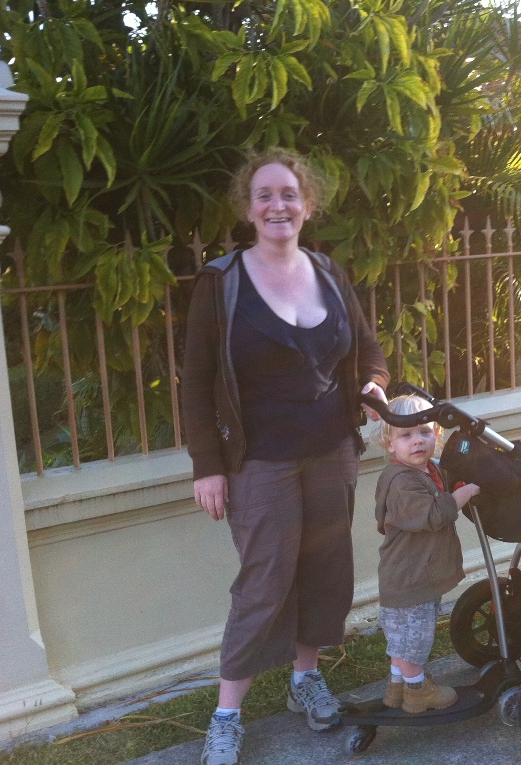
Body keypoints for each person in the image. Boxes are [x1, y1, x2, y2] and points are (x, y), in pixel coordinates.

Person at [182, 147, 389, 765]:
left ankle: (305, 679)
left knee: (326, 572)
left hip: (332, 451)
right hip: (259, 463)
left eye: (289, 194)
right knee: (264, 583)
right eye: (265, 195)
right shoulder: (220, 283)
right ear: (247, 209)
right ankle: (226, 714)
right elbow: (194, 383)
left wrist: (375, 385)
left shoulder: (329, 273)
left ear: (307, 204)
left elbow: (368, 352)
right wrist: (208, 465)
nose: (279, 205)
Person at [374, 395, 480, 713]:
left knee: (404, 641)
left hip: (420, 576)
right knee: (414, 642)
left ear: (437, 432)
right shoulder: (399, 482)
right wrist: (462, 494)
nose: (417, 441)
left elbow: (443, 482)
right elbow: (433, 513)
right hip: (408, 580)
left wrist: (458, 480)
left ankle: (397, 688)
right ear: (389, 444)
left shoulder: (426, 469)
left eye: (424, 432)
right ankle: (418, 692)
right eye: (406, 436)